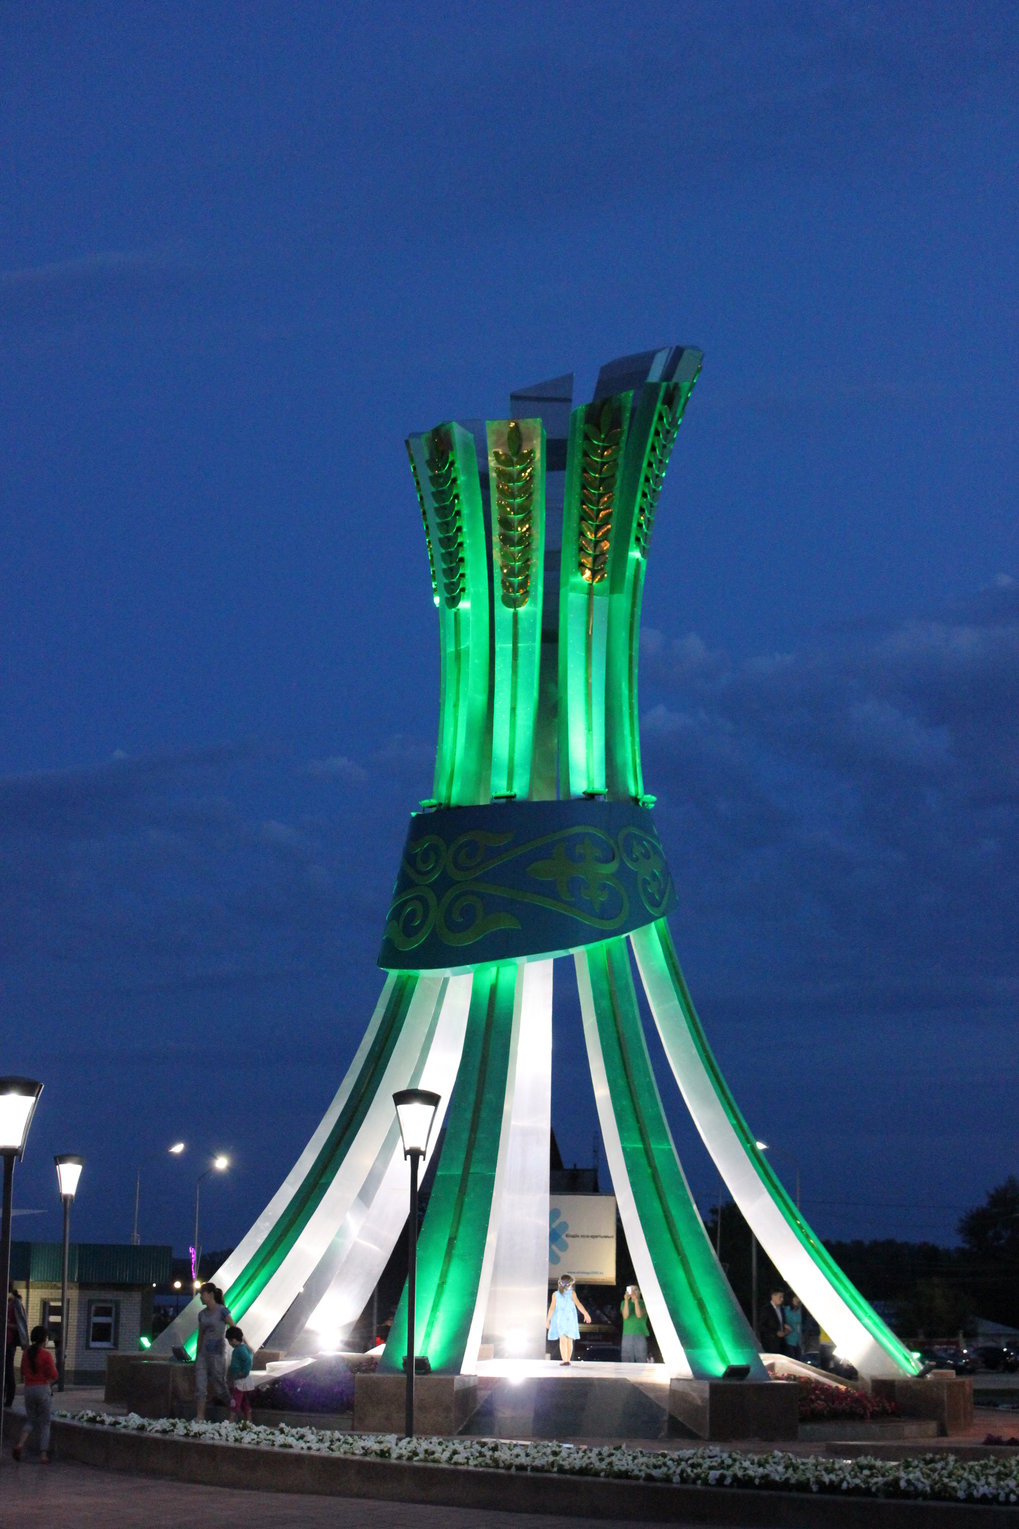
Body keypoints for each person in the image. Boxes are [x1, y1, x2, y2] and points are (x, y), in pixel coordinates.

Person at [12, 1326, 58, 1464]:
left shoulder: (26, 1353)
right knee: (45, 1423)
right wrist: (48, 1382)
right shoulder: (46, 1355)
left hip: (28, 1389)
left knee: (31, 1419)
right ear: (44, 1339)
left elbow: (22, 1373)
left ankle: (20, 1444)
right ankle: (43, 1455)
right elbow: (54, 1374)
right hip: (42, 1389)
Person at [194, 1282, 232, 1420]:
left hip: (217, 1353)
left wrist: (244, 1345)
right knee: (200, 1385)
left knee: (219, 1383)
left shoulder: (223, 1311)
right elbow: (200, 1335)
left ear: (210, 1295)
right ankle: (200, 1416)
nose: (200, 1298)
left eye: (202, 1295)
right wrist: (197, 1355)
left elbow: (234, 1328)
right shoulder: (201, 1314)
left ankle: (233, 1409)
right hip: (203, 1354)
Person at [546, 1274, 590, 1366]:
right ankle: (565, 1360)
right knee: (563, 1339)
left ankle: (567, 1360)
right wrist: (548, 1320)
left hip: (570, 1319)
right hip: (561, 1319)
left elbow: (578, 1305)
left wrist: (585, 1313)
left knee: (569, 1339)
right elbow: (552, 1308)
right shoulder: (556, 1295)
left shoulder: (572, 1293)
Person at [5, 1285, 29, 1407]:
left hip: (9, 1342)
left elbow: (19, 1326)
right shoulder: (9, 1303)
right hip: (6, 1342)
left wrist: (6, 1324)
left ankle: (9, 1399)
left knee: (9, 1370)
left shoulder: (16, 1305)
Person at [226, 1324, 254, 1420]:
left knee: (235, 1400)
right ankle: (248, 1422)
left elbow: (247, 1361)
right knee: (245, 1402)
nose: (229, 1343)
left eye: (229, 1341)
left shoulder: (239, 1350)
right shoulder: (245, 1348)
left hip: (241, 1380)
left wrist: (243, 1373)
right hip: (245, 1380)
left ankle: (230, 1421)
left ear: (233, 1340)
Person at [619, 1284, 650, 1363]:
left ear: (639, 1292)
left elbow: (639, 1315)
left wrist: (636, 1301)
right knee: (626, 1359)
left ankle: (641, 1375)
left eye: (635, 1290)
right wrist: (626, 1300)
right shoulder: (624, 1303)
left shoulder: (644, 1303)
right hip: (627, 1334)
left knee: (641, 1358)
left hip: (640, 1333)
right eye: (631, 1290)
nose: (633, 1292)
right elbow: (625, 1316)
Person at [759, 1288, 790, 1355]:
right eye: (780, 1297)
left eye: (782, 1297)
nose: (782, 1299)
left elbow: (781, 1323)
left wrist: (785, 1330)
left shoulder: (781, 1309)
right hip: (770, 1343)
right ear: (773, 1296)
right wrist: (775, 1332)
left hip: (781, 1343)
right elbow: (761, 1326)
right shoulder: (766, 1309)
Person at [785, 1293, 804, 1360]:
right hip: (789, 1339)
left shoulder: (799, 1310)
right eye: (795, 1298)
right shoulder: (786, 1310)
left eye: (798, 1298)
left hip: (798, 1340)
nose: (797, 1300)